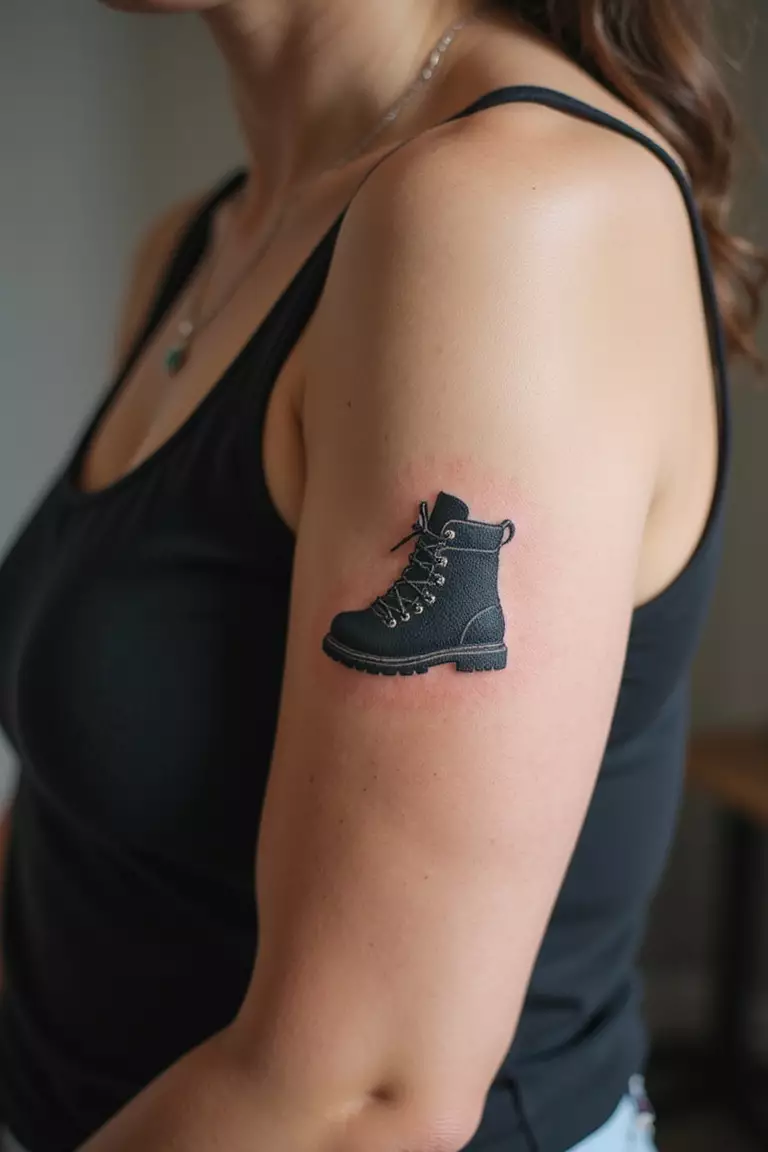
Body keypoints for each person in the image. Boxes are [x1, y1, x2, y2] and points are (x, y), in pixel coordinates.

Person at [0, 1, 765, 1150]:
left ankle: (458, 581)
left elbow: (357, 1105)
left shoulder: (507, 217)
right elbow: (85, 820)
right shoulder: (200, 243)